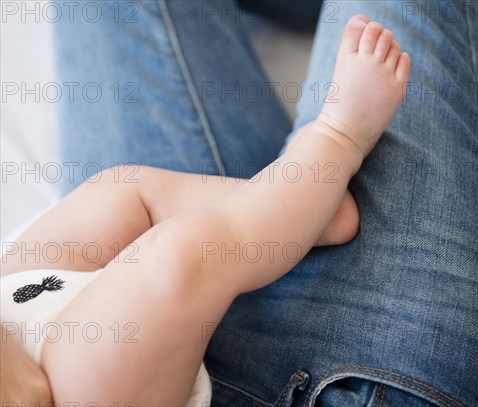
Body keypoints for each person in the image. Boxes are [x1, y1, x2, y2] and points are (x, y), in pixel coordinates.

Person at [4, 0, 478, 405]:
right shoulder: (86, 374)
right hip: (347, 375)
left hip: (218, 285)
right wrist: (332, 142)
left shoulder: (17, 309)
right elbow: (187, 258)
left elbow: (122, 194)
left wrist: (286, 204)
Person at [1, 16, 410, 405]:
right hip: (70, 393)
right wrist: (331, 141)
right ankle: (335, 143)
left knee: (116, 196)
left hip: (18, 314)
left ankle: (299, 203)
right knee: (179, 261)